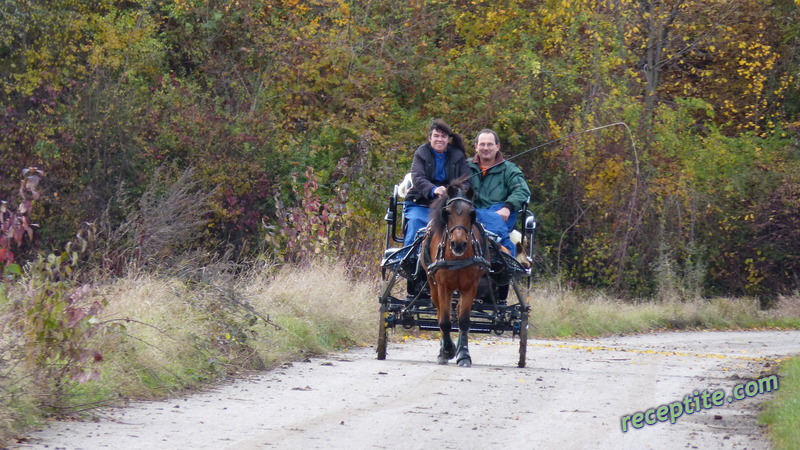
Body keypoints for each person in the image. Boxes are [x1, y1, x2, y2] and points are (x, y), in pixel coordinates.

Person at [402, 119, 470, 246]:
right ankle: (409, 258)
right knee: (415, 222)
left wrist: (453, 191)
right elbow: (417, 177)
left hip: (449, 205)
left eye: (443, 136)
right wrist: (434, 190)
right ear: (430, 138)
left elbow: (466, 180)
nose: (440, 139)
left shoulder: (457, 155)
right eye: (436, 136)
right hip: (421, 203)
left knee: (460, 225)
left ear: (448, 139)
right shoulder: (421, 153)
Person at [468, 129, 531, 257]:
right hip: (470, 213)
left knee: (494, 223)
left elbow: (522, 191)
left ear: (497, 147)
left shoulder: (509, 169)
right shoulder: (464, 167)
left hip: (500, 213)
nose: (486, 148)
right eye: (482, 144)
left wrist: (507, 208)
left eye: (490, 144)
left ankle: (507, 260)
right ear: (476, 147)